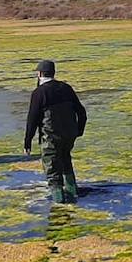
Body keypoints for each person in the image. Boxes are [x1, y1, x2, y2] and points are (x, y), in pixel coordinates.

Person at [23, 59, 87, 203]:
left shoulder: (39, 93)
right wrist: (79, 130)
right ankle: (73, 194)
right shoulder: (66, 87)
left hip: (51, 137)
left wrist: (28, 141)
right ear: (53, 72)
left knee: (52, 170)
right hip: (69, 135)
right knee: (66, 162)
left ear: (39, 74)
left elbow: (32, 119)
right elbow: (81, 112)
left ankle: (59, 204)